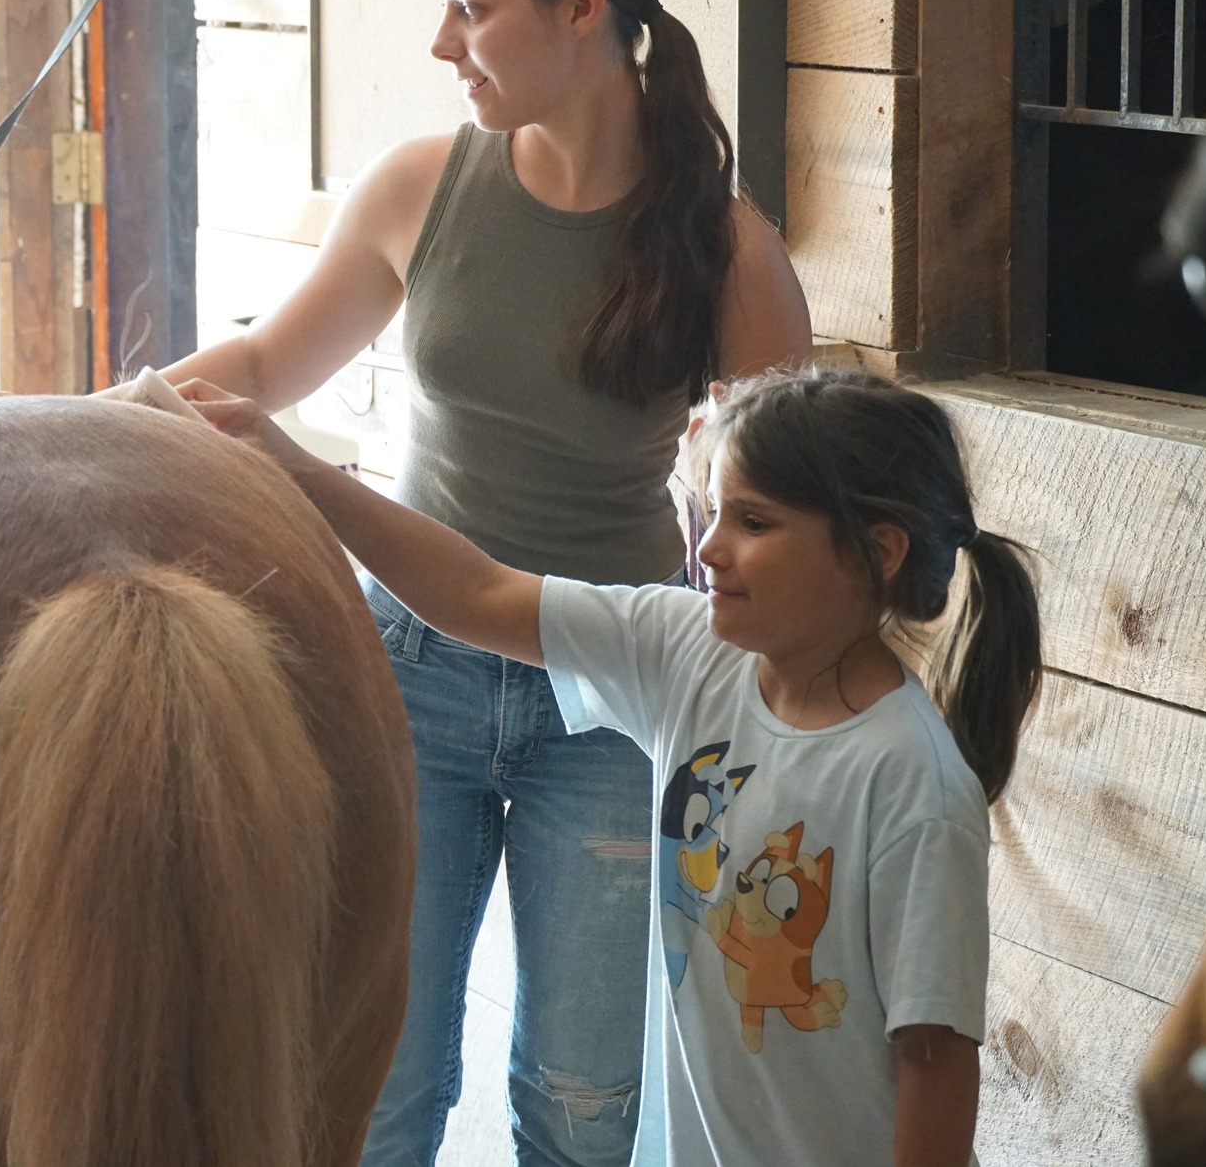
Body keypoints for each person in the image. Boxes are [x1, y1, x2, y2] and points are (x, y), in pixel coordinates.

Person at [152, 0, 810, 1164]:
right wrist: (82, 412)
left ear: (580, 8)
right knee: (380, 1090)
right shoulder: (420, 186)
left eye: (471, 6)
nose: (441, 42)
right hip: (402, 675)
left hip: (614, 703)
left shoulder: (727, 250)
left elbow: (799, 501)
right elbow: (269, 370)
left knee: (582, 1103)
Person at [182, 367, 1042, 1167]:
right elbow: (478, 593)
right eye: (712, 512)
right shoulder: (687, 653)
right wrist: (290, 463)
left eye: (754, 522)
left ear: (876, 551)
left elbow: (935, 1061)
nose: (708, 549)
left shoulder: (912, 787)